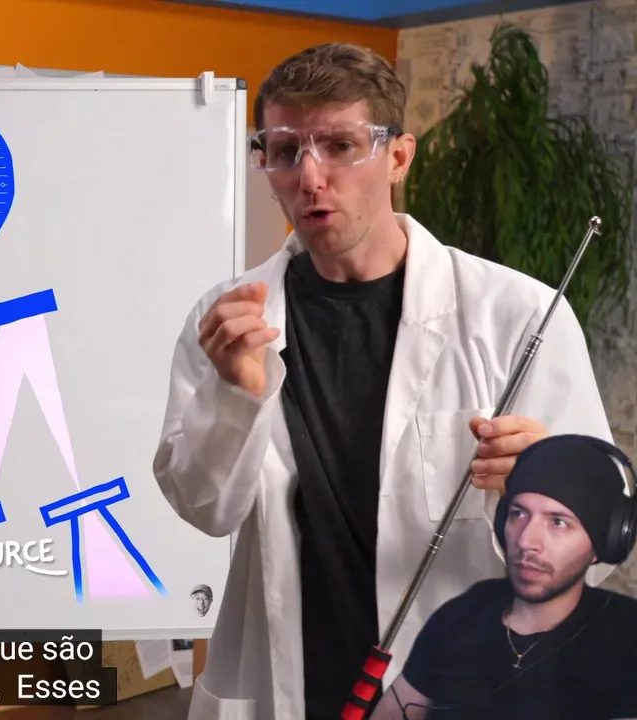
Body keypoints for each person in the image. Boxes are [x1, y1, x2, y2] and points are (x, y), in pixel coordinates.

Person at [151, 42, 616, 720]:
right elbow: (204, 509)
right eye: (284, 151)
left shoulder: (517, 315)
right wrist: (234, 399)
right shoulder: (231, 319)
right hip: (289, 691)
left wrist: (548, 494)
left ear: (398, 157)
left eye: (341, 146)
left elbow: (598, 553)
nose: (310, 177)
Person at [370, 434, 637, 720]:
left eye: (558, 522)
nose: (526, 541)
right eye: (518, 514)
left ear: (603, 544)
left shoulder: (626, 635)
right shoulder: (460, 615)